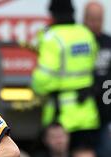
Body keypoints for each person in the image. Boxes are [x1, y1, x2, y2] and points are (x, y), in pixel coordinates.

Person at [32, 0, 99, 148]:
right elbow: (95, 65)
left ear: (52, 14)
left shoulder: (52, 37)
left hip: (61, 117)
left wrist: (35, 87)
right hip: (87, 112)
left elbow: (44, 78)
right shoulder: (86, 33)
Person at [84, 1, 111, 157]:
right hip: (81, 115)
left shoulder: (109, 42)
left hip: (105, 114)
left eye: (99, 19)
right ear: (84, 18)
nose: (95, 23)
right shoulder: (78, 42)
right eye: (91, 18)